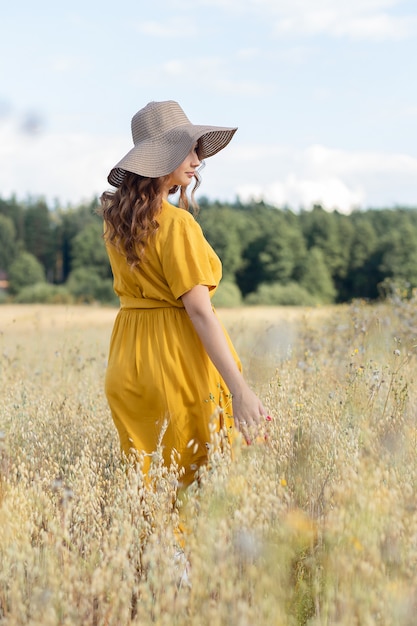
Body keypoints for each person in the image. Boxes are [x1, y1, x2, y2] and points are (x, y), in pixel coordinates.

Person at [100, 100, 267, 489]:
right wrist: (239, 391)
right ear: (163, 157)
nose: (197, 160)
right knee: (198, 484)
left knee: (151, 487)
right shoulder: (177, 225)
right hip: (175, 360)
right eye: (189, 150)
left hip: (127, 362)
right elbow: (200, 313)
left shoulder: (117, 225)